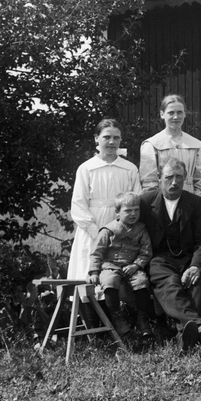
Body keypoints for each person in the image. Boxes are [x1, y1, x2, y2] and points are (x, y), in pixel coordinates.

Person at [139, 157, 201, 351]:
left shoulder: (195, 203)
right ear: (159, 177)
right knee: (169, 282)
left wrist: (195, 266)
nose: (174, 182)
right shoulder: (145, 202)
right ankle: (199, 328)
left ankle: (185, 338)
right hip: (159, 259)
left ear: (185, 178)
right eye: (169, 177)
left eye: (179, 177)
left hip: (188, 258)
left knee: (197, 282)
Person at [68, 119, 142, 281]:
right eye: (107, 137)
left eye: (116, 138)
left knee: (117, 275)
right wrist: (96, 232)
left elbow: (136, 200)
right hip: (93, 226)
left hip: (120, 226)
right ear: (96, 138)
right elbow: (79, 205)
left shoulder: (129, 168)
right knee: (90, 270)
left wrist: (124, 230)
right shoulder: (86, 168)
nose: (111, 142)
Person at [88, 191, 156, 337]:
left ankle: (141, 318)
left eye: (136, 210)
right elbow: (97, 253)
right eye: (128, 211)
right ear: (117, 212)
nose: (133, 214)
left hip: (132, 267)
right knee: (109, 281)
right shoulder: (108, 231)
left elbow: (146, 252)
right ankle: (117, 317)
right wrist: (94, 272)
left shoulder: (141, 230)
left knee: (142, 282)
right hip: (110, 266)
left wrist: (136, 265)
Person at [139, 94, 201, 203]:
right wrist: (158, 204)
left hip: (190, 202)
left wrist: (194, 201)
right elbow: (149, 182)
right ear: (162, 114)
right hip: (161, 203)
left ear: (184, 114)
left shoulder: (195, 144)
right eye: (171, 113)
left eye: (179, 112)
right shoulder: (151, 144)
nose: (176, 117)